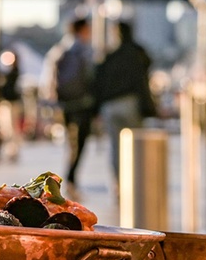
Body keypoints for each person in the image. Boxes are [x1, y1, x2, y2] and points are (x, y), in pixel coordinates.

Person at [94, 21, 155, 182]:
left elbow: (98, 79)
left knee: (116, 148)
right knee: (136, 146)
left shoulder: (109, 55)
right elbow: (147, 67)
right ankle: (136, 184)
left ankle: (119, 184)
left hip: (110, 106)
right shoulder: (137, 52)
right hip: (130, 104)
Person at [42, 18, 94, 194]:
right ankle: (72, 175)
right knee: (80, 142)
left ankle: (70, 175)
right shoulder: (84, 50)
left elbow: (49, 77)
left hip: (65, 103)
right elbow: (91, 76)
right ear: (83, 30)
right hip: (83, 102)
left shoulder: (59, 49)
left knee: (71, 142)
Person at [0, 50, 23, 162]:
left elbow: (5, 80)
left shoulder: (15, 72)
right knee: (6, 128)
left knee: (12, 128)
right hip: (6, 103)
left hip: (12, 104)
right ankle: (9, 150)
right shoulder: (10, 72)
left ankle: (13, 151)